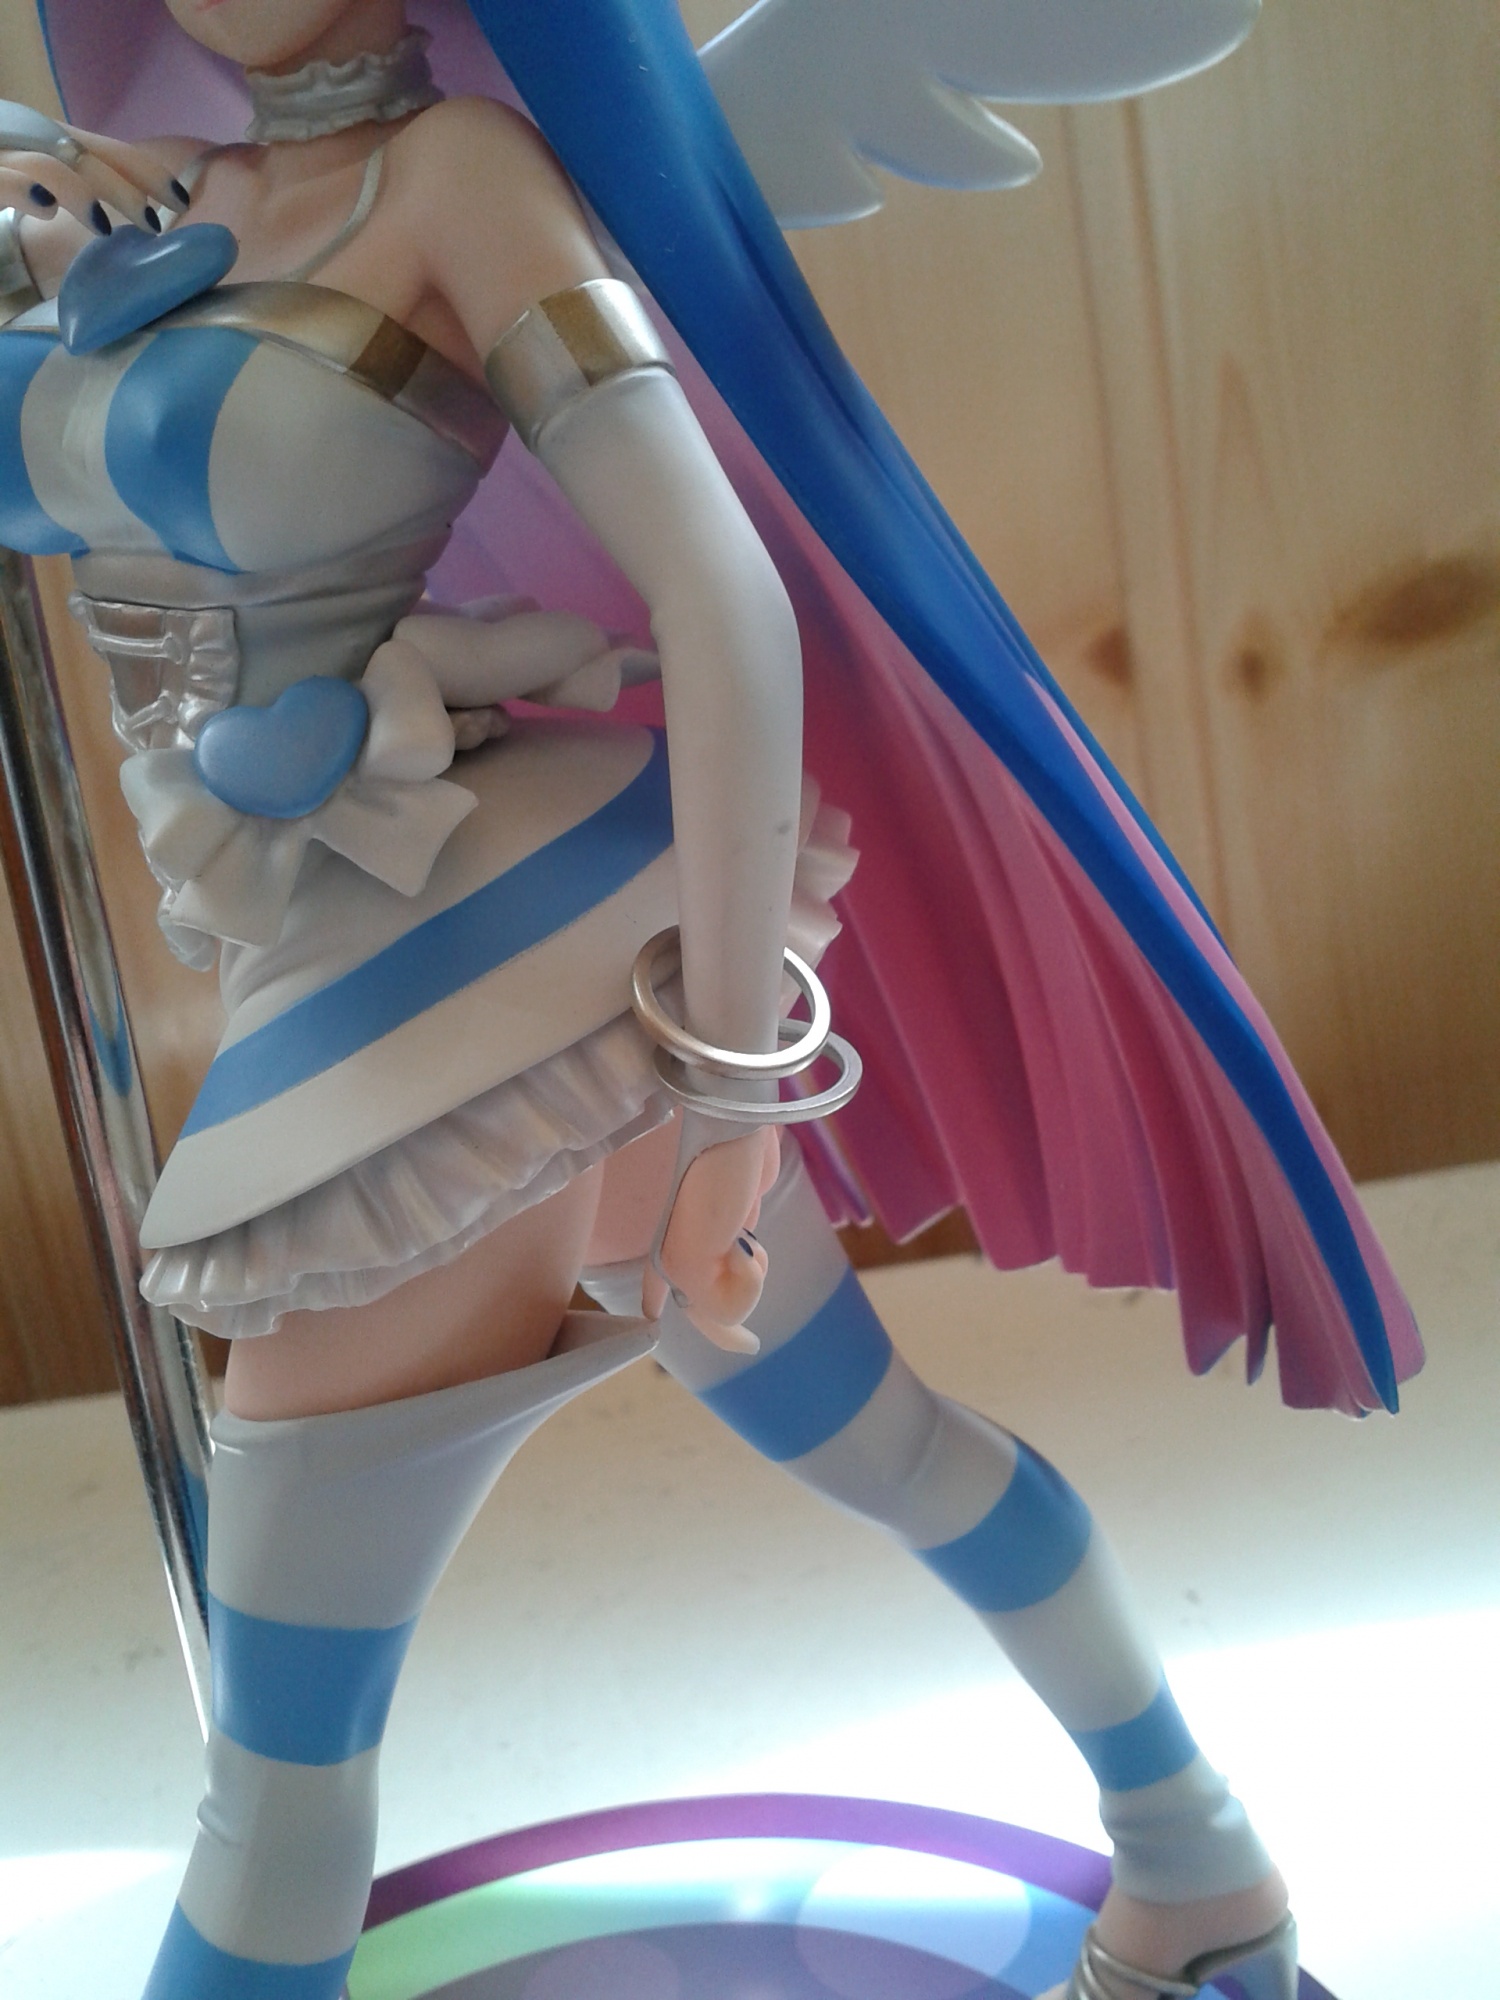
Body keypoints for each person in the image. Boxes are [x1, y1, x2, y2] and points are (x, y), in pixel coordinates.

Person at [0, 2, 1419, 1995]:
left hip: (467, 1001)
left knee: (280, 1780)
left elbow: (727, 599)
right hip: (361, 954)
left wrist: (739, 1107)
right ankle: (1203, 1864)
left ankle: (1205, 1871)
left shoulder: (458, 177)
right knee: (878, 1442)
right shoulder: (150, 199)